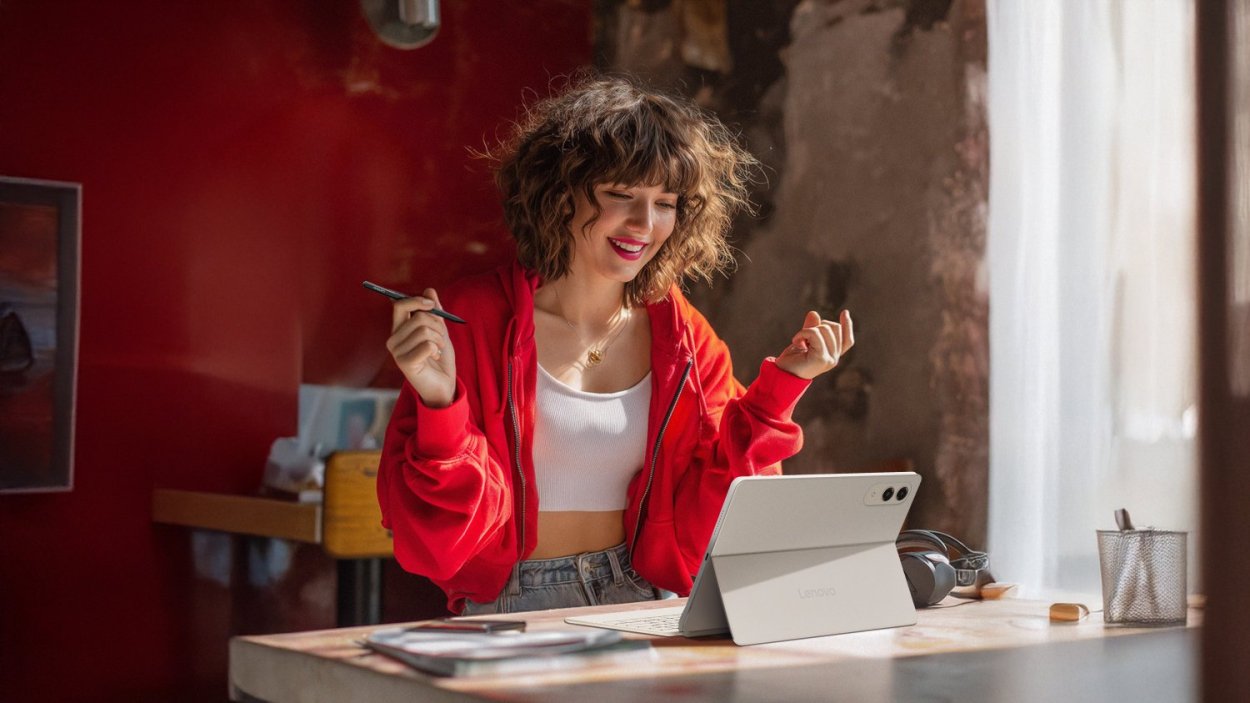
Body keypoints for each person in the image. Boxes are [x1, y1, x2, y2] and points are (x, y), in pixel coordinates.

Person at [377, 75, 854, 615]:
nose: (644, 224)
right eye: (621, 196)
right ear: (560, 195)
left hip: (647, 599)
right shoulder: (468, 321)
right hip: (509, 604)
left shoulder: (686, 337)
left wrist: (783, 387)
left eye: (666, 203)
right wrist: (440, 405)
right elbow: (429, 535)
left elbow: (721, 515)